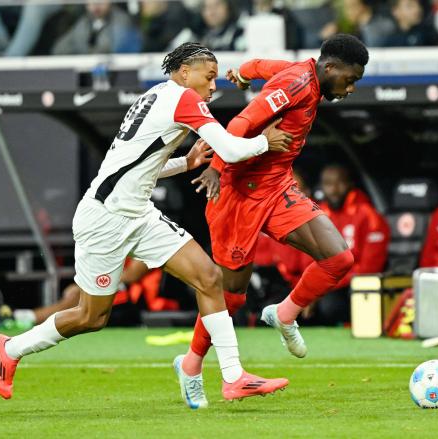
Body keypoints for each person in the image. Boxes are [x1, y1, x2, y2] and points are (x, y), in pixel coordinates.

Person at [0, 42, 293, 408]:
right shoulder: (183, 99)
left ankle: (234, 378)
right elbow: (229, 150)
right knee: (91, 316)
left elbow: (136, 168)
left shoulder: (155, 96)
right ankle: (10, 348)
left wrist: (185, 163)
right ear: (184, 72)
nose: (214, 86)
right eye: (209, 77)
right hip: (106, 219)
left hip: (137, 213)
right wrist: (265, 142)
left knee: (209, 278)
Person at [177, 34, 369, 400]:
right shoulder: (296, 84)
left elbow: (259, 65)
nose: (352, 87)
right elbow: (238, 125)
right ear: (330, 68)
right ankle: (191, 365)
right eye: (351, 78)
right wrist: (217, 167)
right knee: (230, 297)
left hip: (277, 187)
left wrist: (243, 75)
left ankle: (283, 313)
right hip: (237, 192)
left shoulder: (301, 73)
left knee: (339, 258)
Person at [313, 164, 390, 324]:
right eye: (328, 184)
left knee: (329, 306)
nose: (333, 190)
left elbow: (370, 267)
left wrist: (329, 284)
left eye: (339, 183)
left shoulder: (367, 215)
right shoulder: (316, 215)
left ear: (349, 184)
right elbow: (309, 257)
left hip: (355, 284)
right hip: (326, 284)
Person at [51, 0, 132, 55]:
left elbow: (112, 48)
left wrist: (85, 52)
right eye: (92, 1)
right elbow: (59, 49)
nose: (96, 4)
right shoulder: (83, 21)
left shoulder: (122, 20)